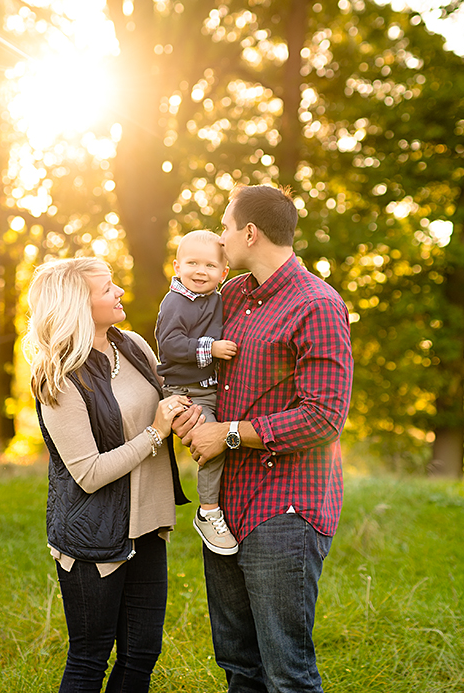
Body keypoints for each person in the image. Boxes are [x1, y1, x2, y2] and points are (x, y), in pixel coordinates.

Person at [179, 185, 354, 693]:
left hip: (286, 509)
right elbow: (185, 344)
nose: (220, 237)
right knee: (239, 665)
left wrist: (227, 434)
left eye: (225, 226)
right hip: (226, 510)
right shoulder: (229, 295)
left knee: (287, 673)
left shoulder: (317, 304)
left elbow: (323, 416)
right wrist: (186, 411)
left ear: (250, 232)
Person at [25, 257, 197, 693]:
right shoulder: (60, 378)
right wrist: (155, 433)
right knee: (89, 659)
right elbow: (88, 473)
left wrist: (186, 414)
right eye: (106, 289)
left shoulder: (134, 346)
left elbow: (167, 399)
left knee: (141, 656)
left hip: (148, 525)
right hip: (94, 536)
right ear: (77, 305)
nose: (119, 291)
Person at [154, 230, 239, 555]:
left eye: (209, 265)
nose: (200, 271)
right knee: (213, 446)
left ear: (223, 272)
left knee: (229, 438)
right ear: (176, 266)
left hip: (209, 387)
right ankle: (208, 511)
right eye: (192, 263)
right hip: (186, 391)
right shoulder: (175, 302)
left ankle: (222, 503)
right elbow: (171, 344)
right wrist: (211, 348)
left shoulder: (216, 298)